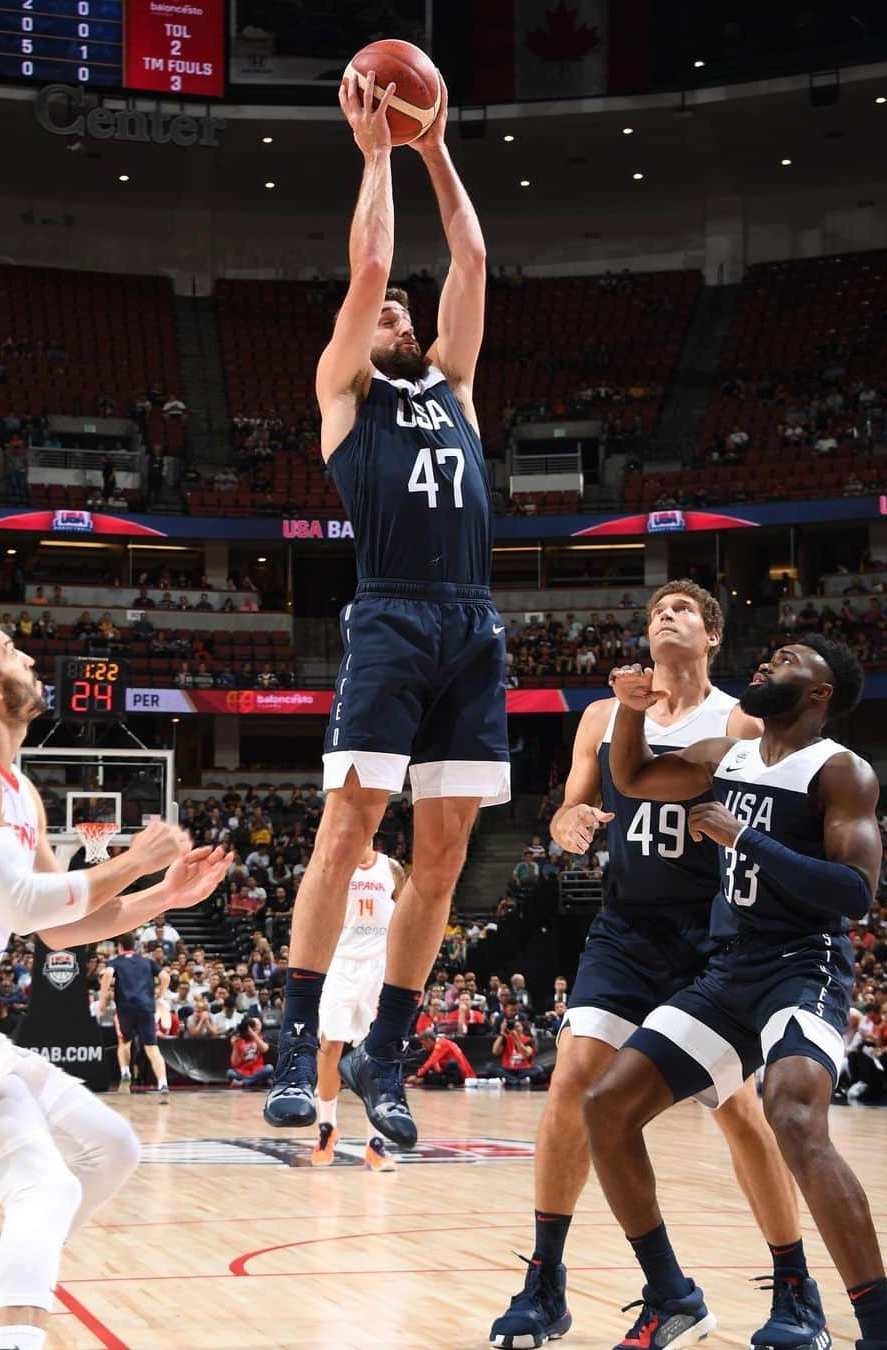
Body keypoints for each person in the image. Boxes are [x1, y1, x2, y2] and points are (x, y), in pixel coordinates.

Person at [0, 613, 229, 1350]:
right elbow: (22, 905)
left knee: (112, 1148)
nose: (30, 655)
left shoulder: (20, 793)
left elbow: (57, 929)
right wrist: (133, 860)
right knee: (48, 1185)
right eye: (11, 650)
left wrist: (164, 896)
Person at [264, 64, 507, 1151]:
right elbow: (371, 262)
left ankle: (386, 1055)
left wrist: (437, 143)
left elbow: (474, 258)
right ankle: (291, 1040)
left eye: (404, 310)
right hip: (395, 615)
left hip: (474, 621)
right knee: (350, 826)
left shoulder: (453, 385)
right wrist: (377, 153)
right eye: (384, 311)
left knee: (445, 854)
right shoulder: (343, 397)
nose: (395, 309)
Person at [491, 582, 819, 1350]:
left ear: (710, 636)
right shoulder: (604, 716)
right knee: (571, 1080)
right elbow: (574, 802)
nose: (663, 618)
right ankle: (546, 1281)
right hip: (625, 928)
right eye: (654, 611)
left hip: (712, 931)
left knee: (738, 1109)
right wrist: (570, 820)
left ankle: (795, 1283)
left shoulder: (739, 716)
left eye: (681, 611)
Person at [582, 636, 887, 1350]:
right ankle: (672, 1295)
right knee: (605, 1107)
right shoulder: (724, 757)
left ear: (819, 694)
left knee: (790, 1111)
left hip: (804, 964)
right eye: (771, 656)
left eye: (789, 660)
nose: (768, 663)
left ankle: (881, 1336)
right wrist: (631, 712)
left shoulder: (840, 770)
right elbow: (633, 776)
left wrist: (745, 839)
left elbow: (854, 894)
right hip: (731, 969)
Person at [311, 842, 404, 1173]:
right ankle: (326, 1127)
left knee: (376, 1054)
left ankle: (375, 1144)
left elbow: (406, 913)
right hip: (340, 964)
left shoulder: (391, 869)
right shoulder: (335, 864)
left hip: (377, 969)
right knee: (330, 1045)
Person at [97, 932, 172, 1102]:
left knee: (124, 1042)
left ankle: (125, 1073)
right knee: (152, 1048)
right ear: (134, 946)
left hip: (125, 1008)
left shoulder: (115, 962)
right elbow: (165, 976)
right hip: (146, 1008)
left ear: (119, 947)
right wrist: (160, 993)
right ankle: (163, 1084)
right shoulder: (147, 962)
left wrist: (102, 1002)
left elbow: (107, 974)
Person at [407, 1028, 473, 1087]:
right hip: (459, 1072)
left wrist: (417, 1075)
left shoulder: (441, 1044)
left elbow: (431, 1061)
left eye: (424, 1044)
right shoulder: (441, 1043)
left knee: (450, 1064)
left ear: (429, 1040)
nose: (423, 1046)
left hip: (461, 1074)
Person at [225, 1018, 273, 1089]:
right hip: (243, 1071)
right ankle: (256, 1080)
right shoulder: (238, 1040)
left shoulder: (259, 1038)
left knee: (269, 1068)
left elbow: (265, 1049)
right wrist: (235, 1045)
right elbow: (235, 1063)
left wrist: (252, 1033)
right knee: (230, 1072)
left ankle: (243, 1082)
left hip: (258, 1070)